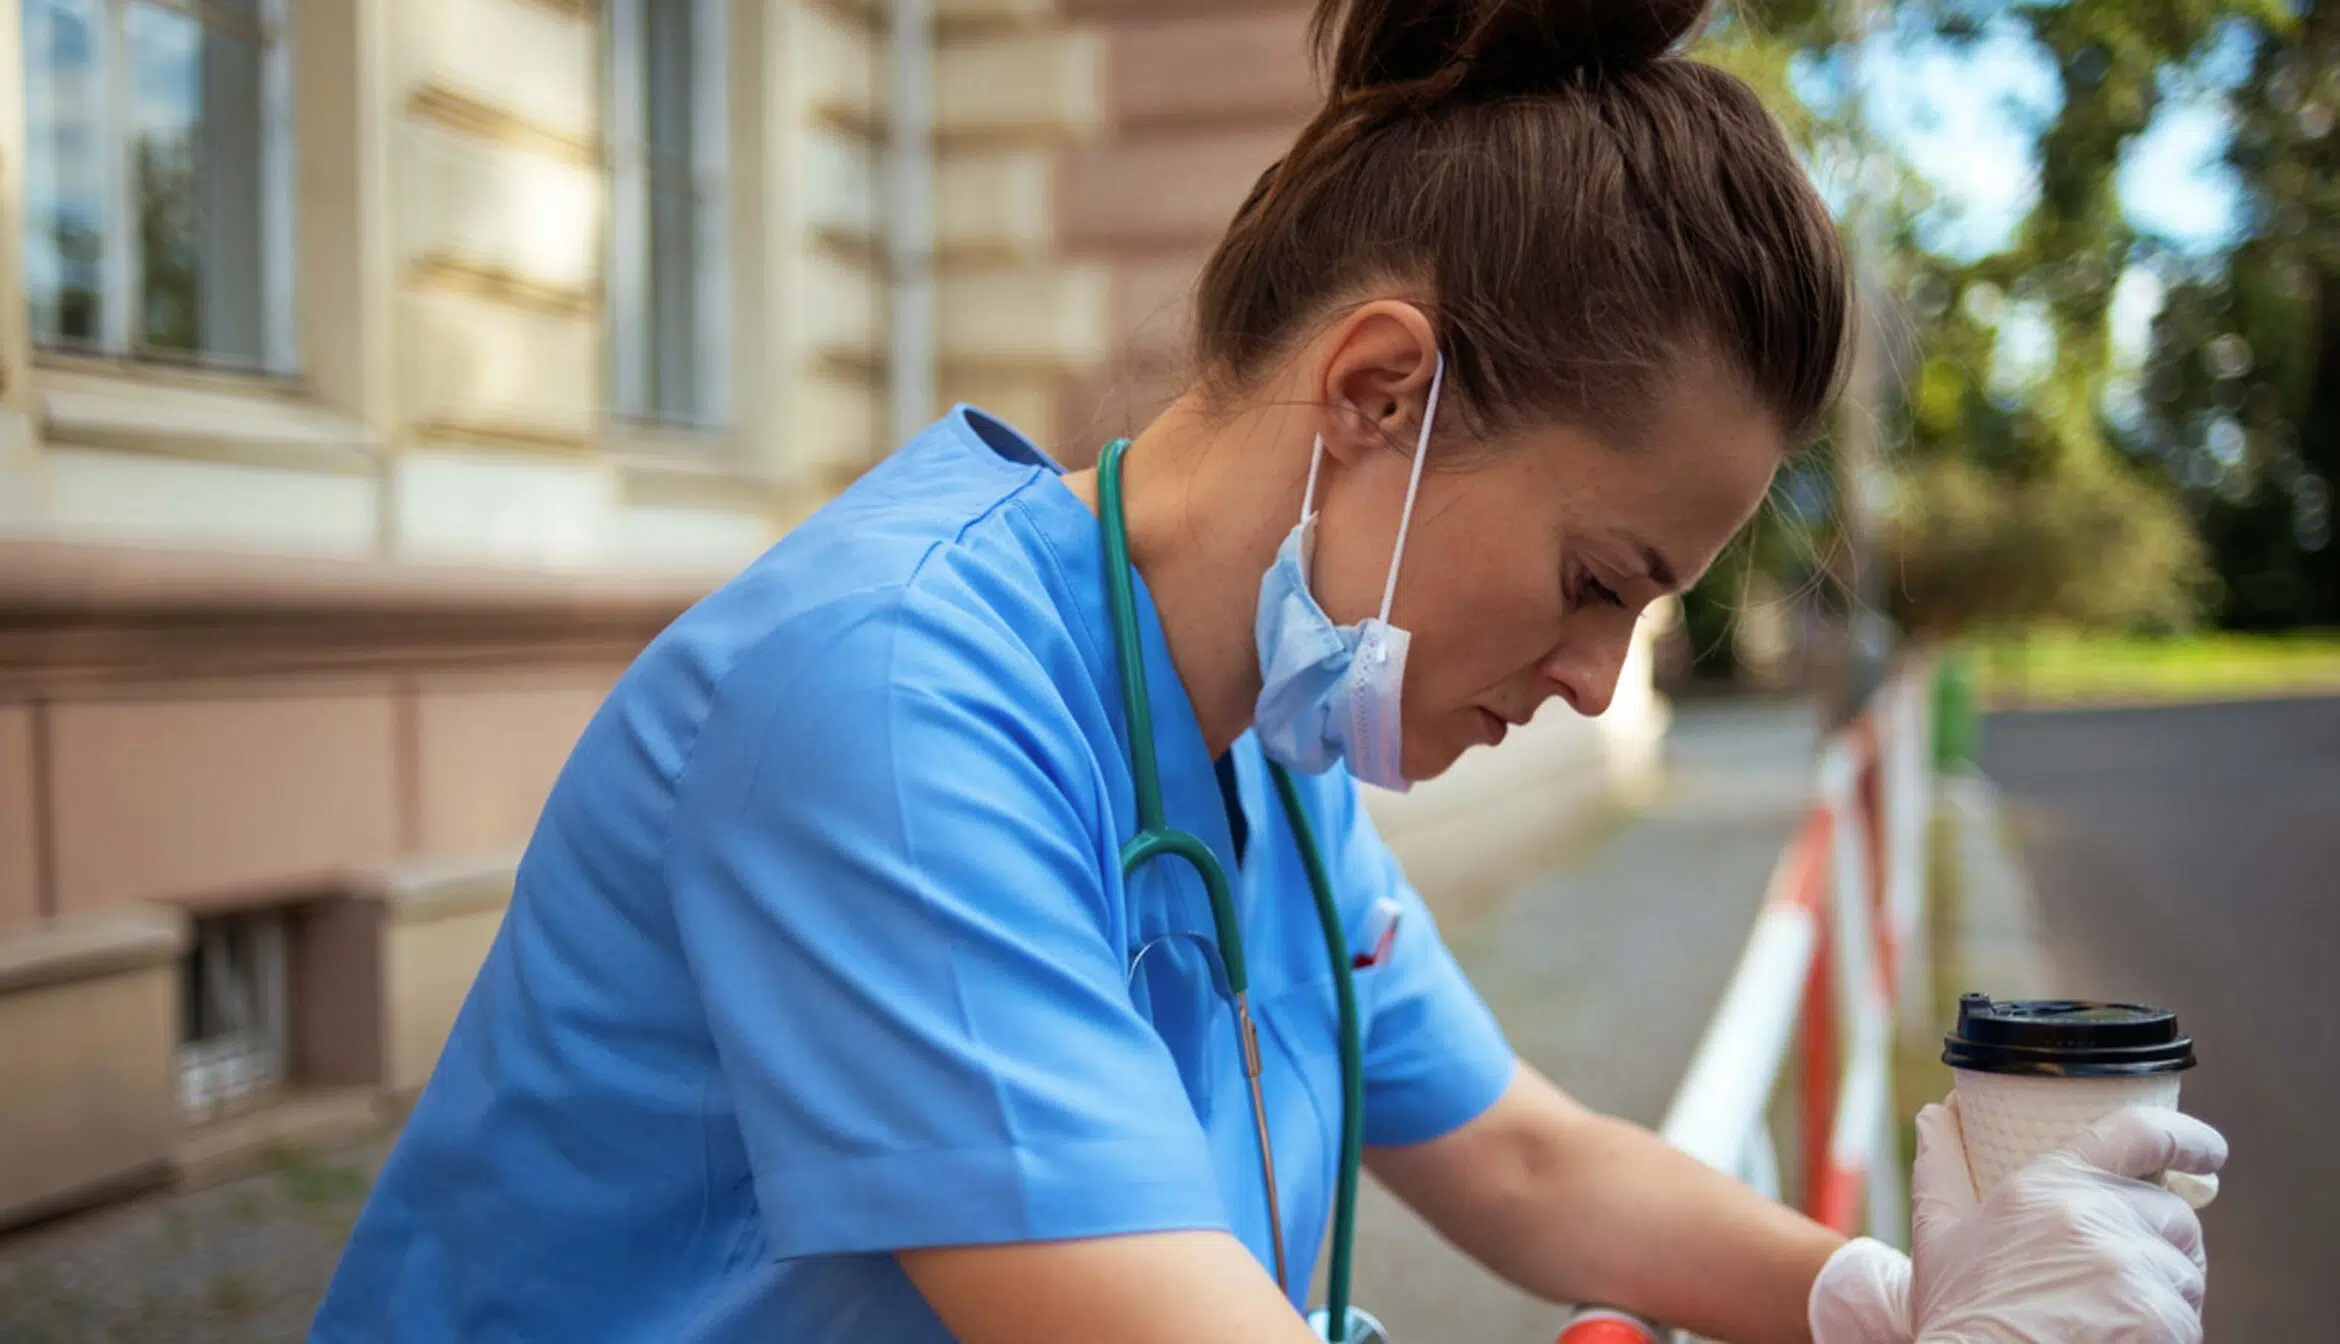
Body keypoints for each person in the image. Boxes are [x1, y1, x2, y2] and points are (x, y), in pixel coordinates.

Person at [313, 0, 2226, 1338]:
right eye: (1594, 580)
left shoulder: (1272, 733)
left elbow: (1524, 1158)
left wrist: (1871, 1303)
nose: (1589, 677)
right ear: (1378, 390)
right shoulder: (893, 707)